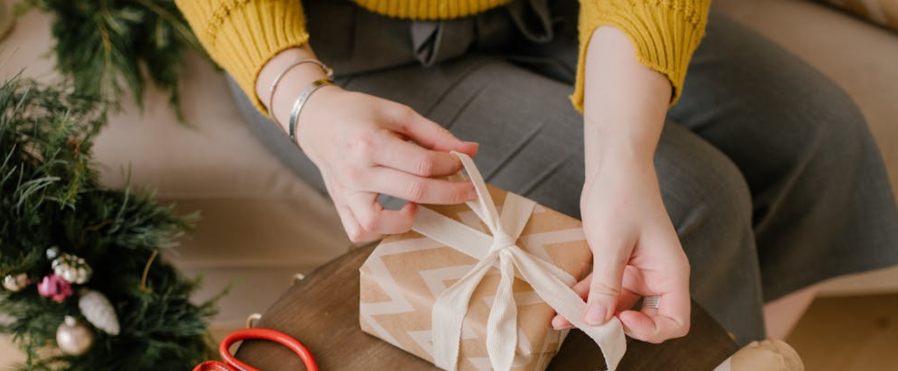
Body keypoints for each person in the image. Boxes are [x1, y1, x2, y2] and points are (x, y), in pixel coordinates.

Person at [175, 0, 898, 346]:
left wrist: (620, 154)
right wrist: (301, 99)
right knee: (693, 200)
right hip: (331, 51)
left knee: (821, 138)